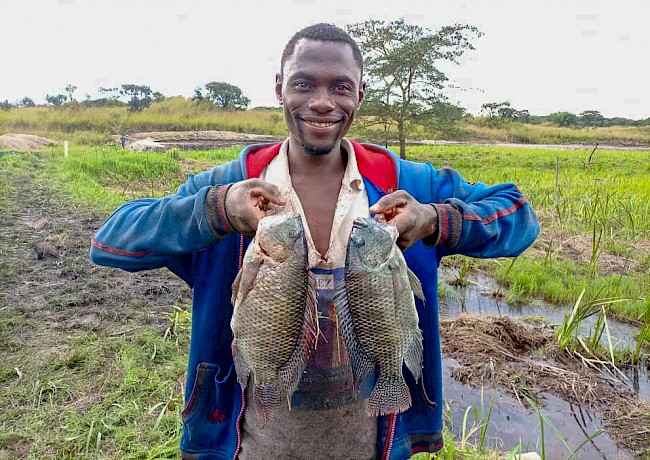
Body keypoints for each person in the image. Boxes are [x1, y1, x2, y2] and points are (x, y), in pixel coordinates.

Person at [91, 23, 539, 460]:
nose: (323, 103)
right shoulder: (232, 184)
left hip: (372, 438)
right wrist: (217, 210)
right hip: (246, 438)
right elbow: (112, 240)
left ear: (359, 94)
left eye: (341, 87)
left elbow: (518, 214)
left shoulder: (407, 184)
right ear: (280, 88)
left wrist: (434, 219)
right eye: (304, 84)